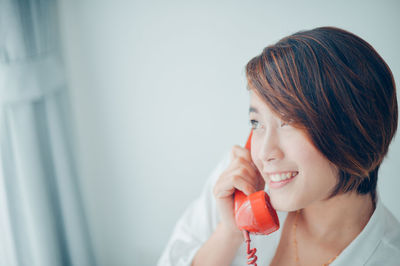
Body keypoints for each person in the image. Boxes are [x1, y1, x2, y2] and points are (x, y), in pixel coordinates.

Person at [157, 26, 400, 265]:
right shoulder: (240, 180)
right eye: (256, 123)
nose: (263, 154)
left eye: (289, 122)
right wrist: (229, 232)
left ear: (354, 131)